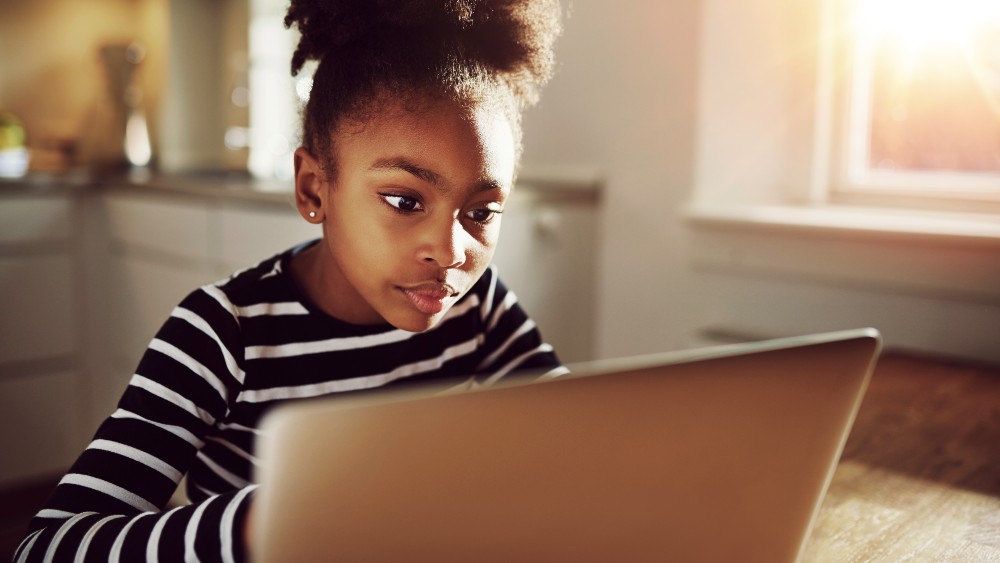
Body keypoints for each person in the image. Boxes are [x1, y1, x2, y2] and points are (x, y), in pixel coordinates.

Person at [13, 0, 563, 560]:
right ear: (314, 189)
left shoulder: (480, 310)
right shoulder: (223, 334)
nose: (450, 253)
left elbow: (581, 438)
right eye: (404, 200)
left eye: (481, 212)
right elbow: (50, 546)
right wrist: (272, 517)